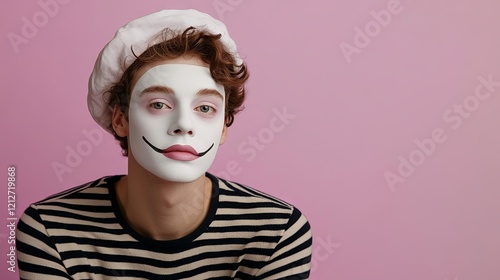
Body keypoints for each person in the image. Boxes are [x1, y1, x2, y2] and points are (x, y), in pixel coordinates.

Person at [16, 9, 312, 279]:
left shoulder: (278, 231)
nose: (183, 124)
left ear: (224, 127)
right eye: (159, 104)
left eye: (205, 108)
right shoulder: (49, 229)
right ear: (120, 119)